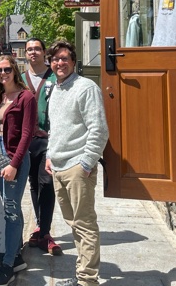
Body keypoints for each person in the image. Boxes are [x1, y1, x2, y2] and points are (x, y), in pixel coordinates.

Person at [44, 41, 109, 286]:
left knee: (84, 225)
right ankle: (82, 274)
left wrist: (87, 163)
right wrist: (50, 155)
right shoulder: (56, 89)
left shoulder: (86, 87)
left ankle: (87, 280)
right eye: (55, 59)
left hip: (77, 167)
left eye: (64, 58)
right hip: (59, 167)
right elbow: (55, 129)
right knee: (74, 225)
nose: (59, 63)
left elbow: (99, 129)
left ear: (73, 61)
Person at [0, 55, 36, 286]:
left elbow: (27, 134)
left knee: (11, 208)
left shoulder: (26, 97)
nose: (3, 73)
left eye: (6, 69)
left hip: (13, 155)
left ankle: (8, 264)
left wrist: (14, 164)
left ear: (14, 70)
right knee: (10, 204)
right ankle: (16, 255)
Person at [21, 38, 62, 255]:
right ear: (25, 53)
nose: (33, 52)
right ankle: (39, 226)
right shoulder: (20, 79)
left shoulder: (56, 77)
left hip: (48, 137)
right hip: (26, 141)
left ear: (44, 52)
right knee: (34, 184)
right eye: (29, 49)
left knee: (46, 182)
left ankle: (45, 231)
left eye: (37, 48)